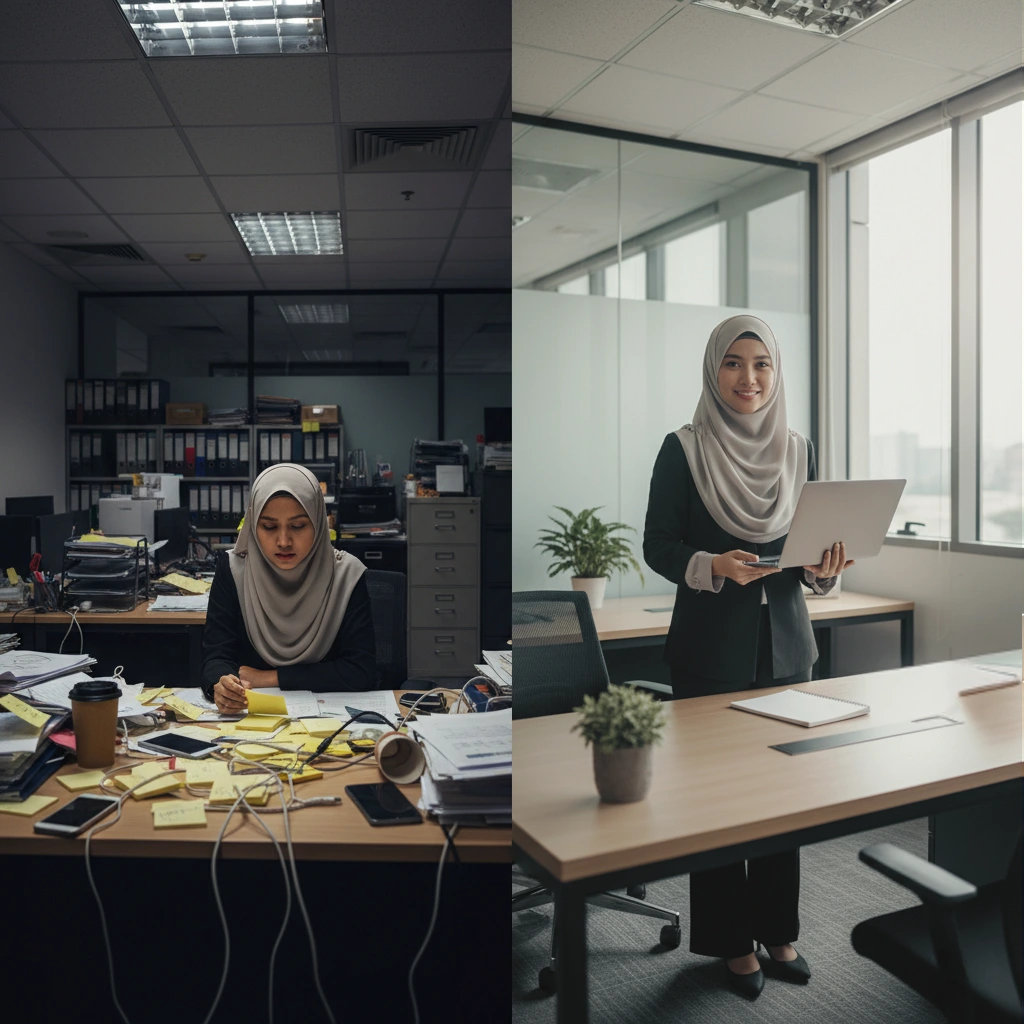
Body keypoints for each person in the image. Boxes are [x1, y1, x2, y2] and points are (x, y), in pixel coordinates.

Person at [643, 314, 854, 1000]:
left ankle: (778, 930)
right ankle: (730, 940)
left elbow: (808, 555)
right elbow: (658, 544)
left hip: (787, 647)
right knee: (716, 802)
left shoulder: (799, 450)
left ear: (776, 372)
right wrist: (713, 565)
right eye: (734, 363)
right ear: (714, 371)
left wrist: (824, 569)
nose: (749, 377)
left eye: (761, 363)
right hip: (709, 649)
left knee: (783, 799)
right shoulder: (683, 448)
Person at [201, 463, 378, 712]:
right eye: (269, 527)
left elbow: (361, 671)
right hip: (250, 719)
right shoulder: (233, 570)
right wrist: (221, 685)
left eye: (298, 526)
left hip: (329, 718)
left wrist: (271, 678)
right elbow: (217, 656)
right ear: (253, 525)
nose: (284, 541)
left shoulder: (346, 575)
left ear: (318, 522)